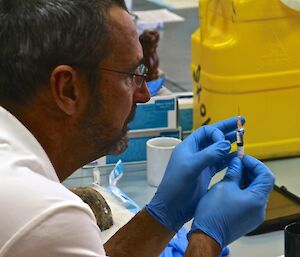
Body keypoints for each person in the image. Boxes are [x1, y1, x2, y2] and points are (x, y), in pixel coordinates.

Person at [0, 1, 274, 257]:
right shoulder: (43, 216)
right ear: (69, 89)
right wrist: (208, 237)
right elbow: (52, 234)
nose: (145, 94)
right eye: (132, 74)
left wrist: (163, 216)